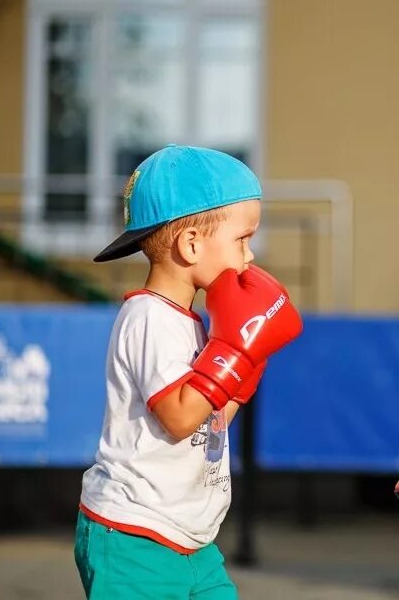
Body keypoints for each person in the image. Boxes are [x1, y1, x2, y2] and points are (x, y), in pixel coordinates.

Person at [74, 144, 303, 599]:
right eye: (242, 239)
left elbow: (211, 421)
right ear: (191, 243)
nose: (250, 254)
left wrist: (249, 362)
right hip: (134, 538)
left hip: (191, 541)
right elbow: (179, 418)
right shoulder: (148, 319)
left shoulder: (197, 325)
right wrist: (237, 351)